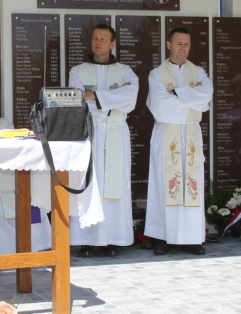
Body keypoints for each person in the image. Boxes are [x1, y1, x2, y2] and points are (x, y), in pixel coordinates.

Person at [68, 24, 139, 257]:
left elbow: (130, 99)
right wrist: (110, 102)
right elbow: (77, 100)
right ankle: (87, 239)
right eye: (95, 38)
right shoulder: (77, 71)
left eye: (103, 39)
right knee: (89, 183)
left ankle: (112, 238)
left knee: (114, 184)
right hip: (89, 133)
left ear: (112, 43)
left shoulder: (126, 71)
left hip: (116, 133)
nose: (98, 42)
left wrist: (95, 96)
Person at [144, 27, 213, 255]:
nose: (183, 48)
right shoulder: (157, 74)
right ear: (168, 44)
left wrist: (177, 95)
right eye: (179, 43)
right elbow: (160, 104)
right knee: (166, 185)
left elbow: (207, 95)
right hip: (167, 136)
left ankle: (192, 238)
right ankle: (164, 237)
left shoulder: (199, 73)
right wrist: (190, 99)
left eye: (187, 44)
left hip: (191, 134)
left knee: (191, 186)